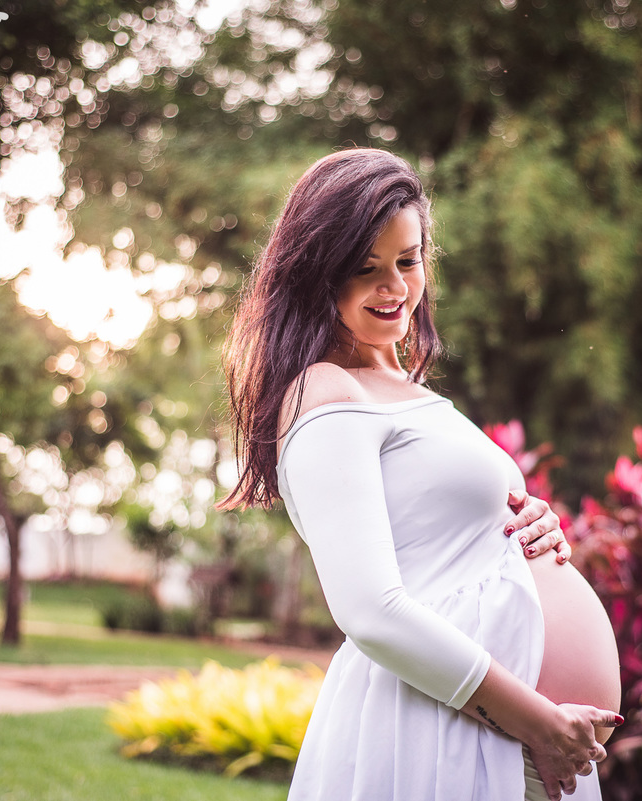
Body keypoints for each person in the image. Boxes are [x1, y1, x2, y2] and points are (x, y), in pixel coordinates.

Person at [220, 148, 621, 801]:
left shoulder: (397, 387)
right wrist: (539, 721)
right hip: (442, 732)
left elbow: (438, 537)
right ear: (318, 275)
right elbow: (371, 611)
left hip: (493, 735)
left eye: (408, 261)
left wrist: (521, 527)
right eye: (366, 269)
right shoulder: (325, 391)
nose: (396, 287)